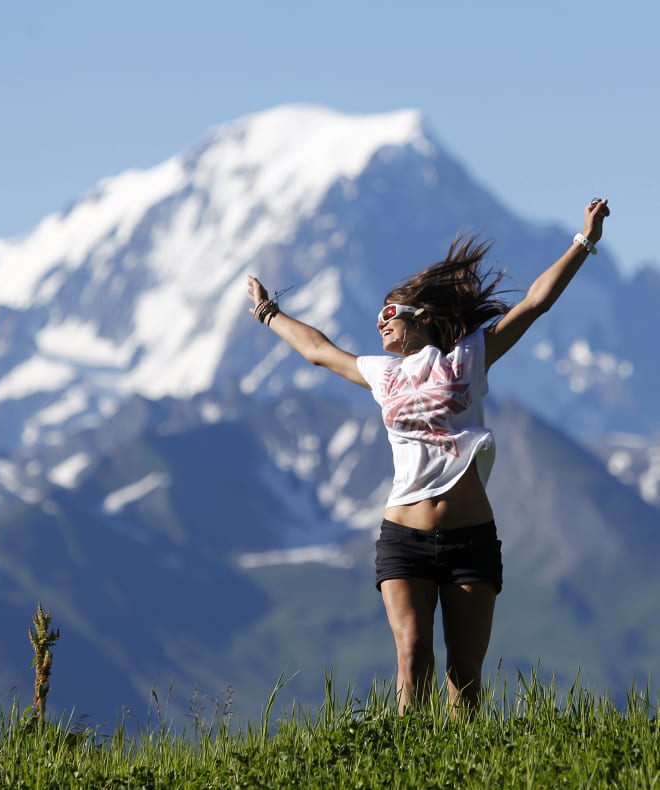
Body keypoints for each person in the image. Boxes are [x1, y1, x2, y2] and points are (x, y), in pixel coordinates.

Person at [247, 199, 610, 715]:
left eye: (388, 314)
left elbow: (535, 303)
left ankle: (462, 758)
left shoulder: (471, 355)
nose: (379, 324)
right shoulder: (382, 373)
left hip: (469, 539)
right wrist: (268, 313)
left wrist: (584, 240)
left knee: (464, 675)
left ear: (421, 318)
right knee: (413, 657)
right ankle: (406, 756)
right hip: (403, 538)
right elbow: (318, 351)